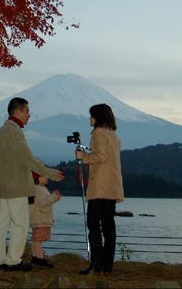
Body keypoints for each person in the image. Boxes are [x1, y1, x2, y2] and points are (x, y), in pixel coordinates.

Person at [0, 97, 64, 272]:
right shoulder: (14, 131)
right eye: (27, 111)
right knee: (21, 224)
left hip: (2, 186)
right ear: (17, 111)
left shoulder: (2, 131)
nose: (29, 115)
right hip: (16, 186)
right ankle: (13, 260)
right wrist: (50, 173)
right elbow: (27, 159)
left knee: (1, 224)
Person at [76, 103, 124, 274]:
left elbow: (101, 156)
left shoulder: (98, 133)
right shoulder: (113, 135)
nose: (90, 118)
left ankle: (96, 263)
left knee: (94, 225)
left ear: (98, 117)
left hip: (99, 188)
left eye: (91, 115)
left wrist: (84, 157)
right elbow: (108, 156)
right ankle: (107, 265)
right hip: (112, 187)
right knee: (109, 226)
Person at [29, 172, 61, 268]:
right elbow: (43, 203)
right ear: (38, 179)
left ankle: (35, 257)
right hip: (40, 218)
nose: (47, 177)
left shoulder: (38, 188)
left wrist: (52, 197)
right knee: (38, 239)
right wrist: (54, 197)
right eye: (44, 176)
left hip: (38, 218)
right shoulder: (38, 189)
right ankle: (39, 258)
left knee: (36, 239)